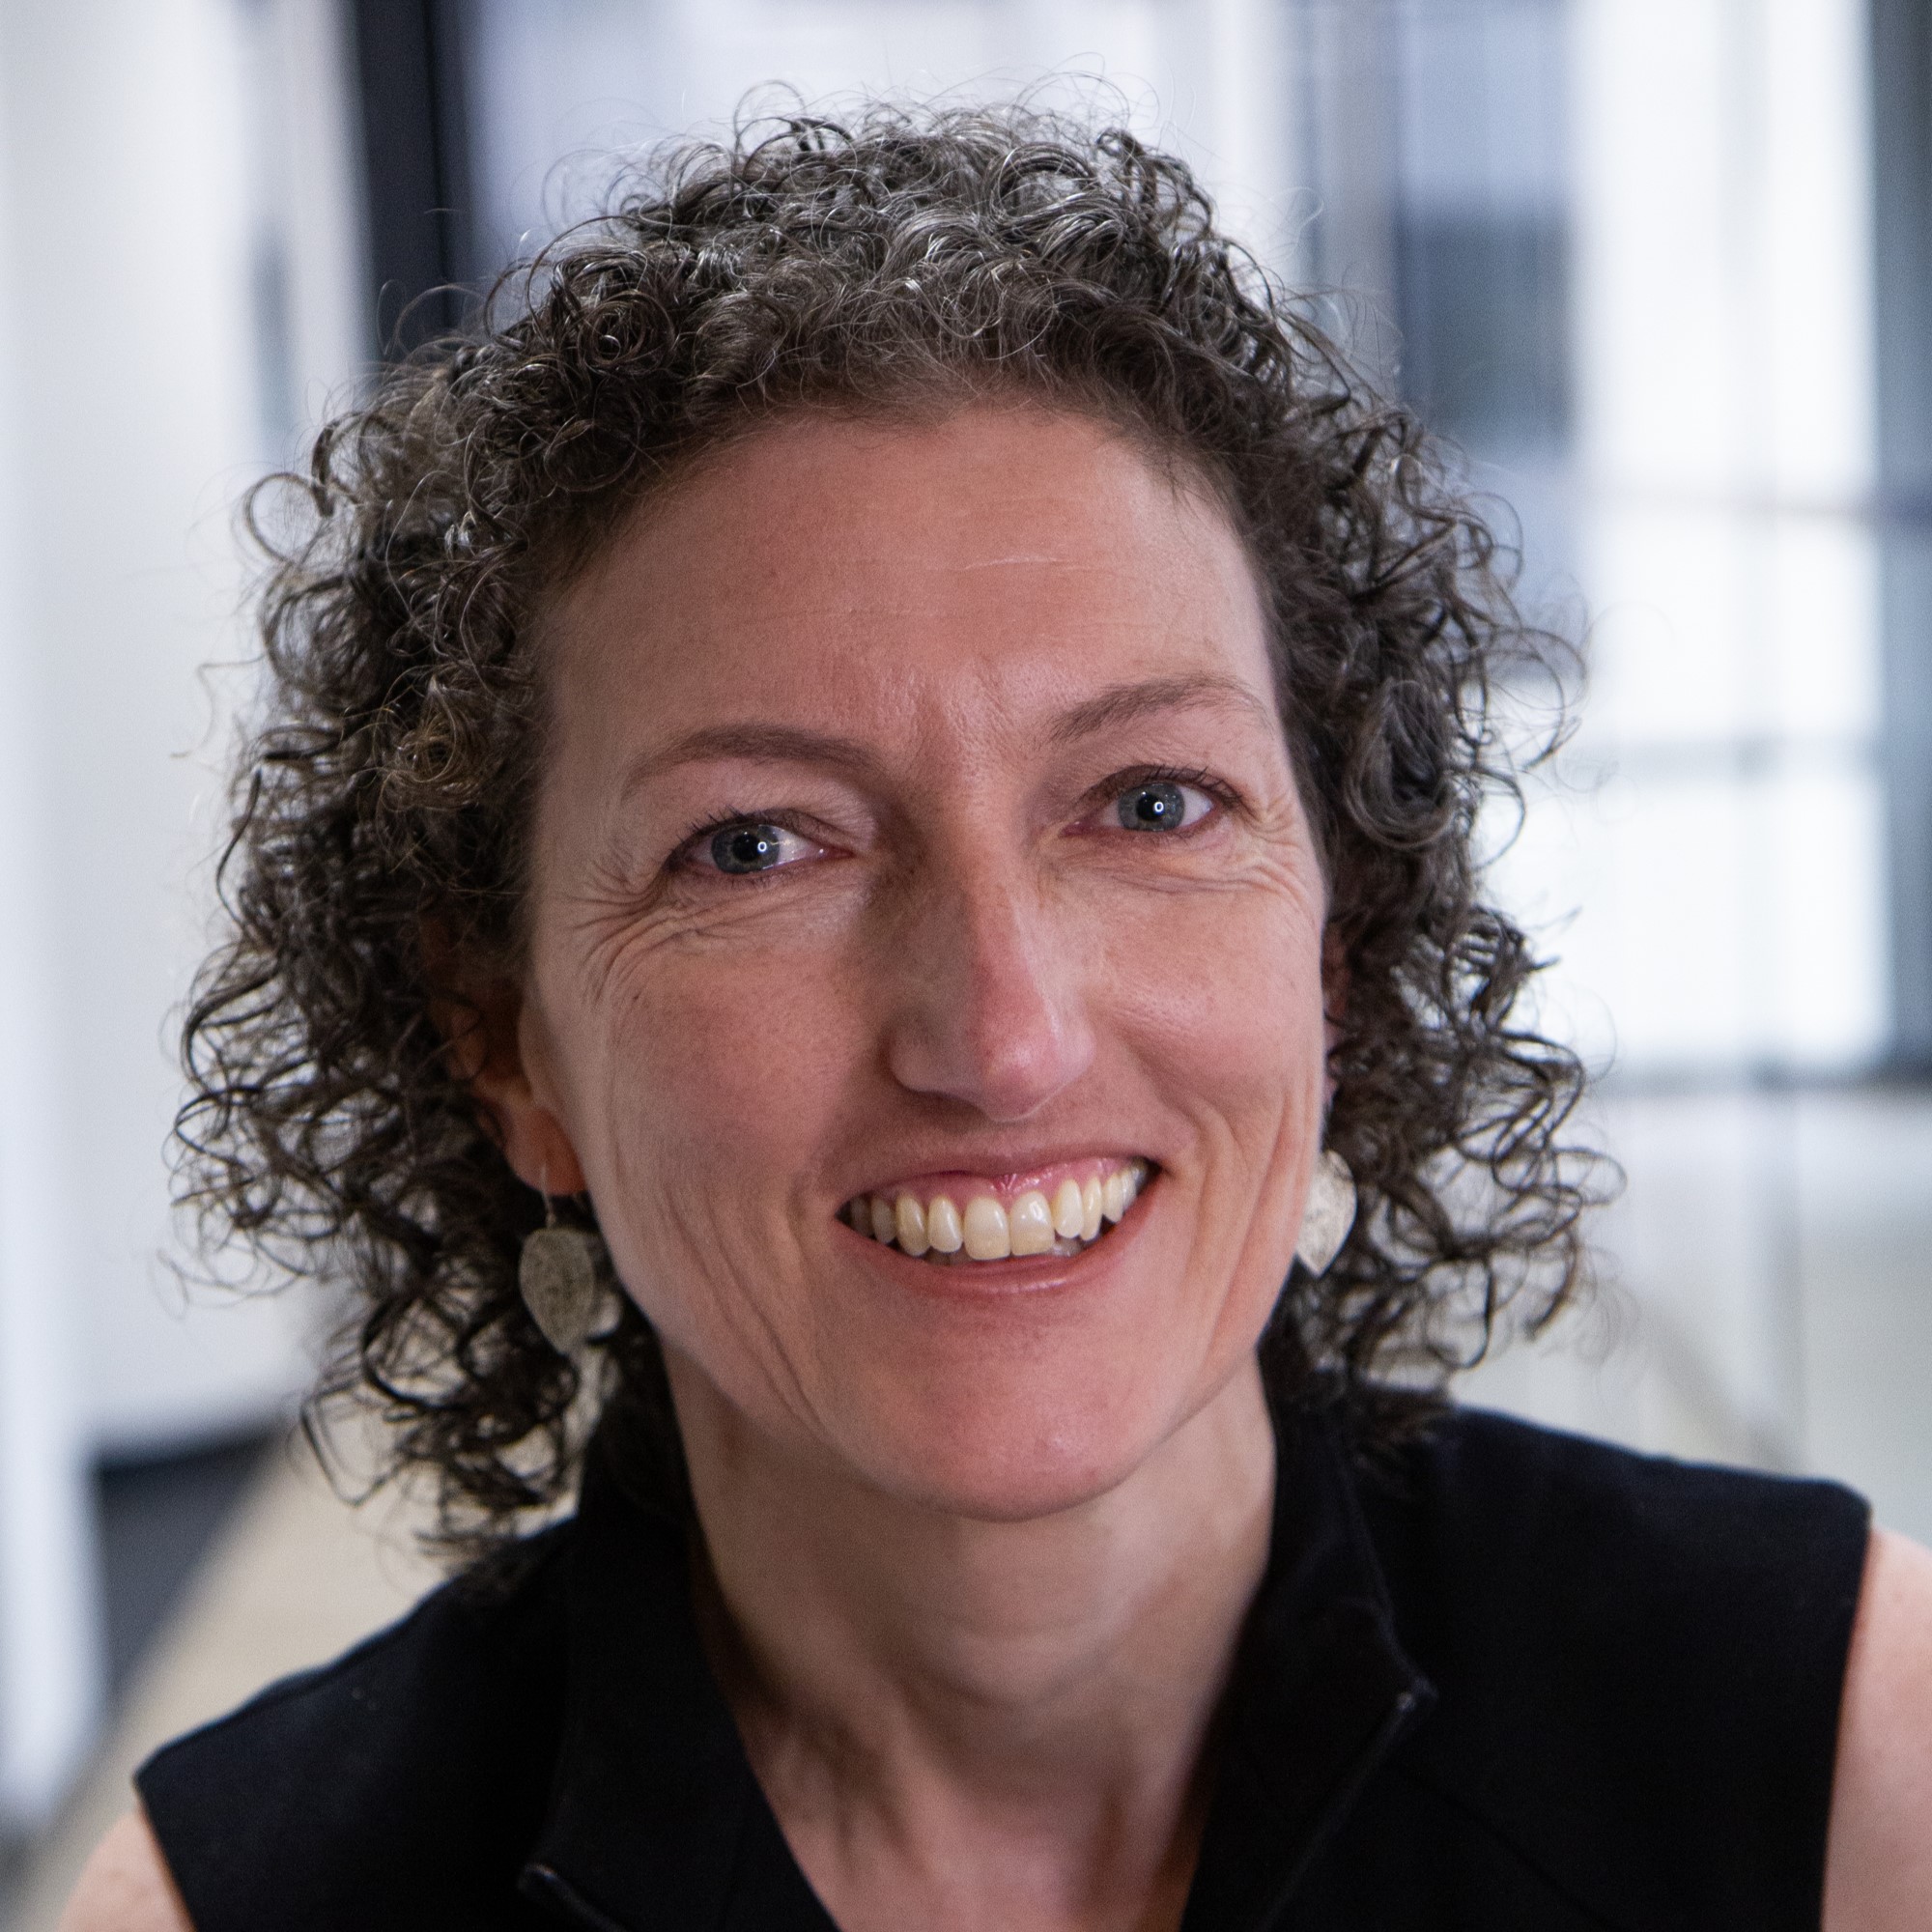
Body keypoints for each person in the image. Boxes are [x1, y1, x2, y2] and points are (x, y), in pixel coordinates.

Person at [64, 105, 1932, 1932]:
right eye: (757, 844)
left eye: (1151, 803)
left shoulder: (1847, 1762)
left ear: (1336, 944)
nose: (1004, 1039)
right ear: (504, 1037)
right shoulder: (238, 1902)